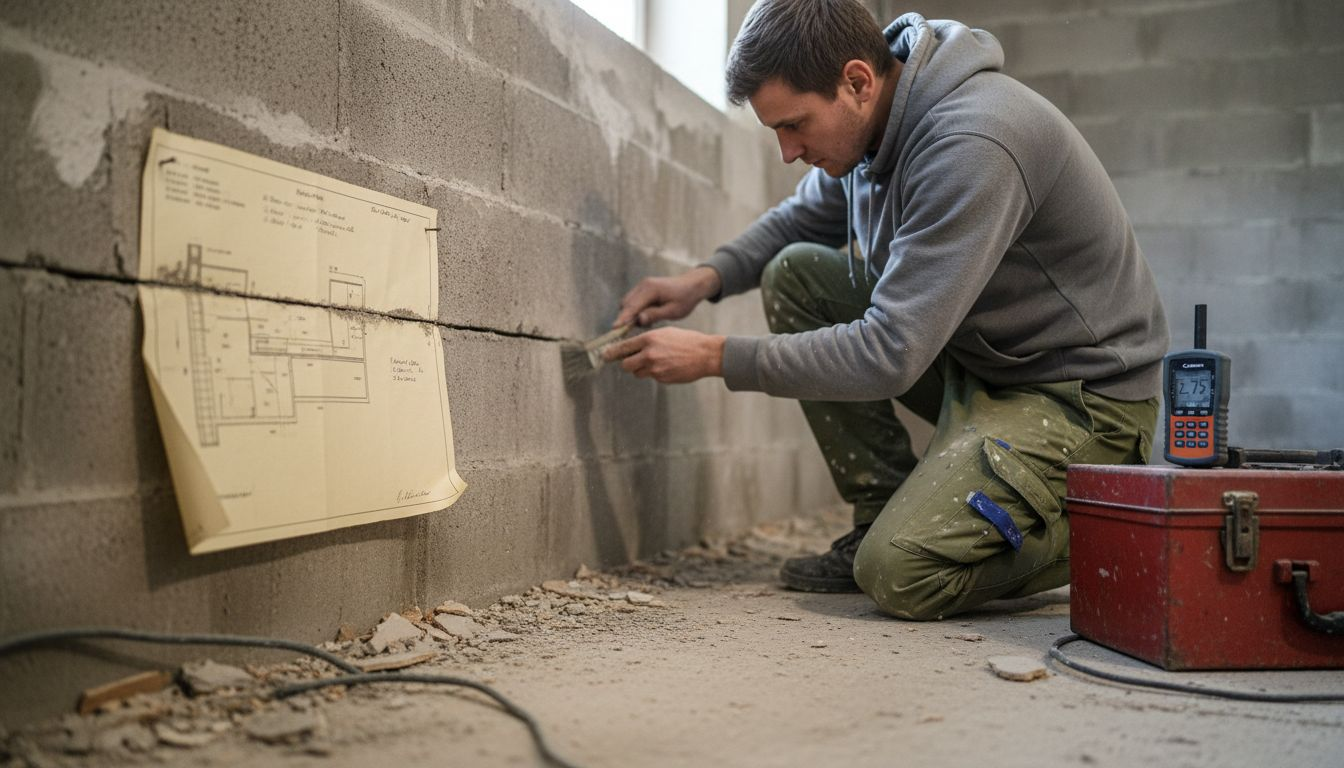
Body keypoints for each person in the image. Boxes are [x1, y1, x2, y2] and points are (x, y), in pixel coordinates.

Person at [604, 0, 1169, 620]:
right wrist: (704, 280)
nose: (788, 152)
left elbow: (889, 353)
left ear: (856, 82)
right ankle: (880, 510)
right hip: (984, 368)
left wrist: (717, 357)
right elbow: (803, 217)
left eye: (794, 126)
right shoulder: (871, 129)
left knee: (901, 573)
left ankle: (1109, 522)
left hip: (1084, 402)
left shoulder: (972, 141)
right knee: (796, 274)